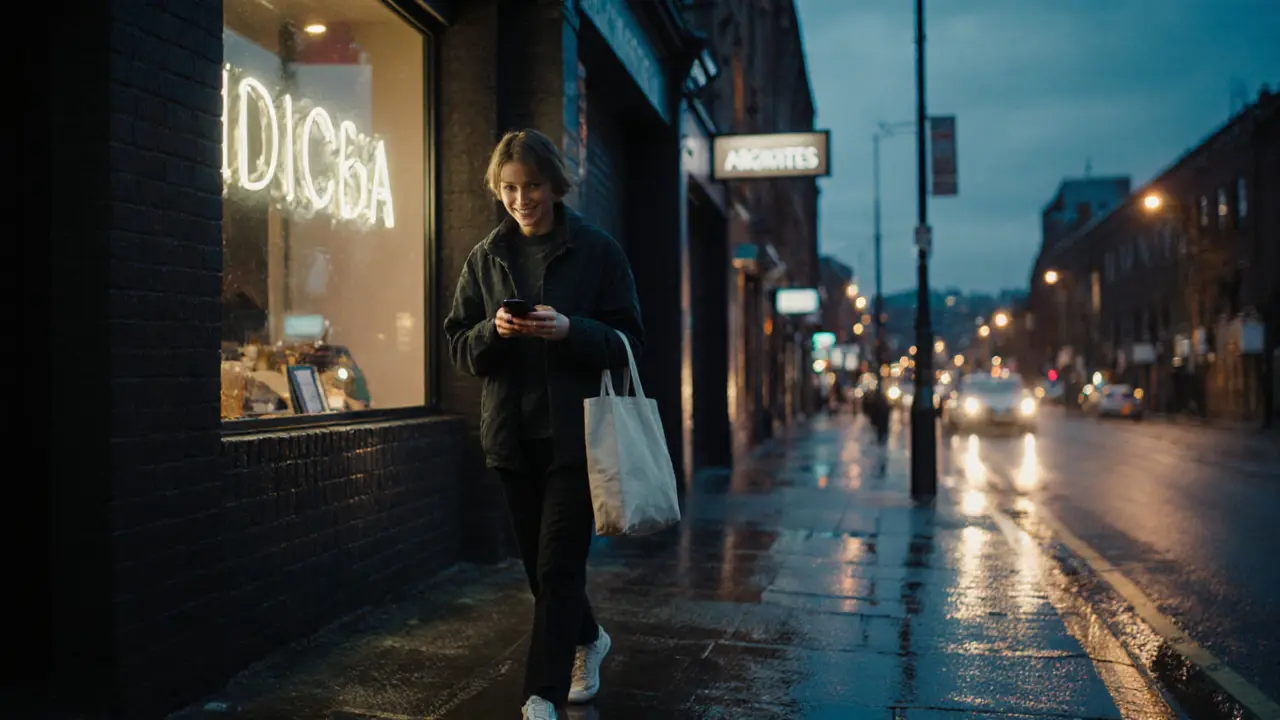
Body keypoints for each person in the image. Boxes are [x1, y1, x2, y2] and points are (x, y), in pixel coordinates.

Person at [443, 128, 644, 720]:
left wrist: (570, 331)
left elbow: (631, 341)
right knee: (540, 569)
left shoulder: (598, 251)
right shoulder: (485, 258)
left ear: (555, 184)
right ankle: (588, 636)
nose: (521, 197)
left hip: (576, 440)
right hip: (511, 440)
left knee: (558, 566)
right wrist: (493, 334)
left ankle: (542, 695)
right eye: (509, 187)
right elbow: (459, 346)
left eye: (532, 185)